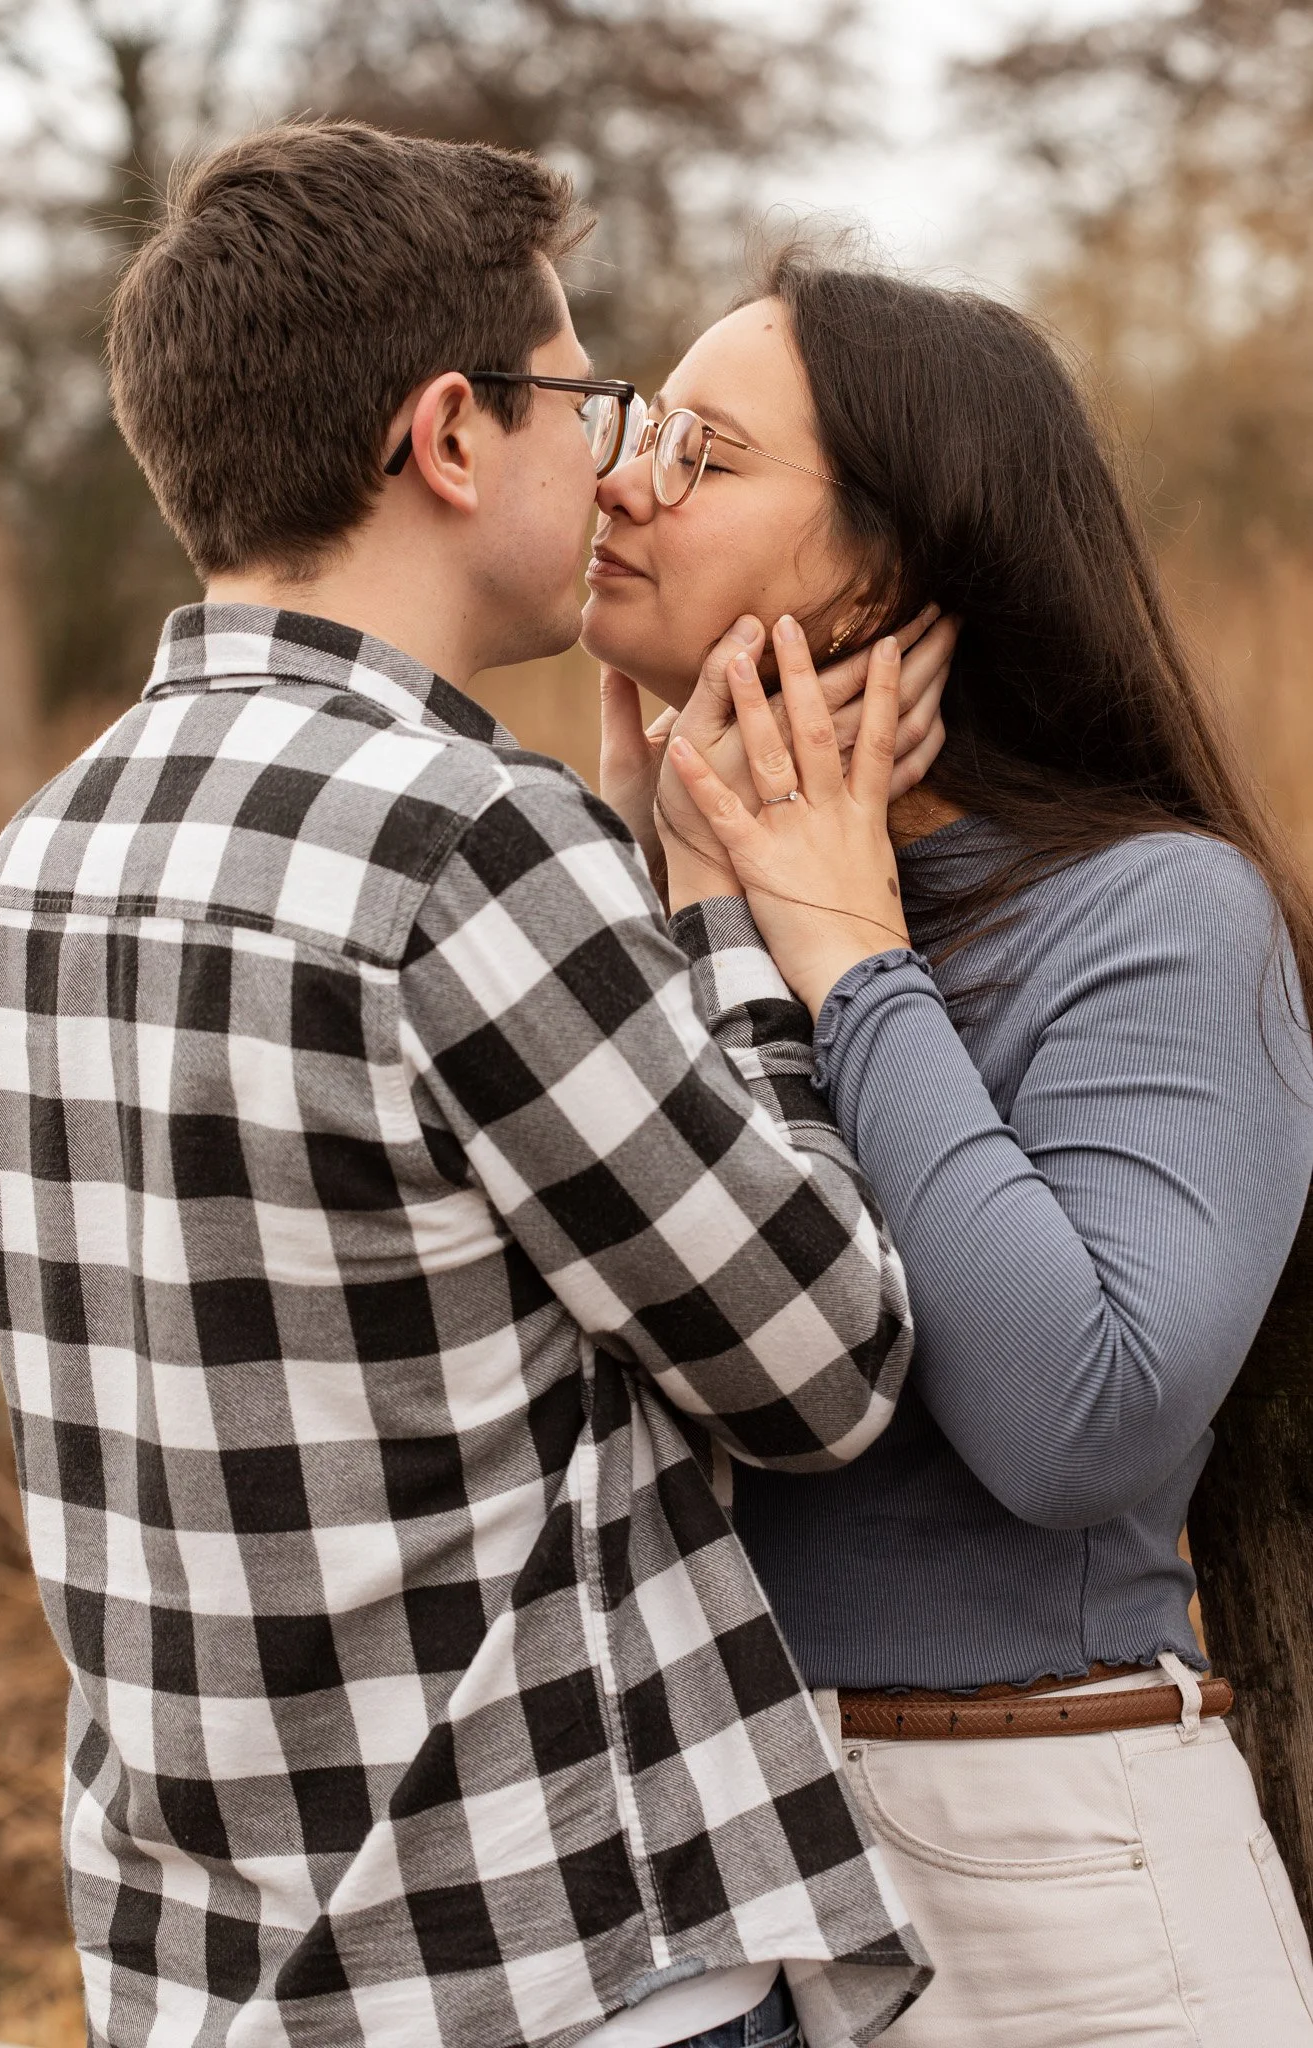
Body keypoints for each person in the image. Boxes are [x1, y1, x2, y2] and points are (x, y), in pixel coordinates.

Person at [0, 126, 955, 2048]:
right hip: (538, 1971)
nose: (615, 451)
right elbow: (826, 1365)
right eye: (586, 396)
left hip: (208, 1979)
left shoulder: (44, 855)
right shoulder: (465, 843)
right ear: (451, 436)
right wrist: (722, 910)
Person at [587, 248, 1313, 2045]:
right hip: (718, 1892)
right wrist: (702, 916)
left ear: (893, 566)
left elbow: (1082, 1419)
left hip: (1047, 1870)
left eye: (705, 452)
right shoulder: (637, 923)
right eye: (641, 430)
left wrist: (846, 951)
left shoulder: (1157, 912)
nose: (621, 476)